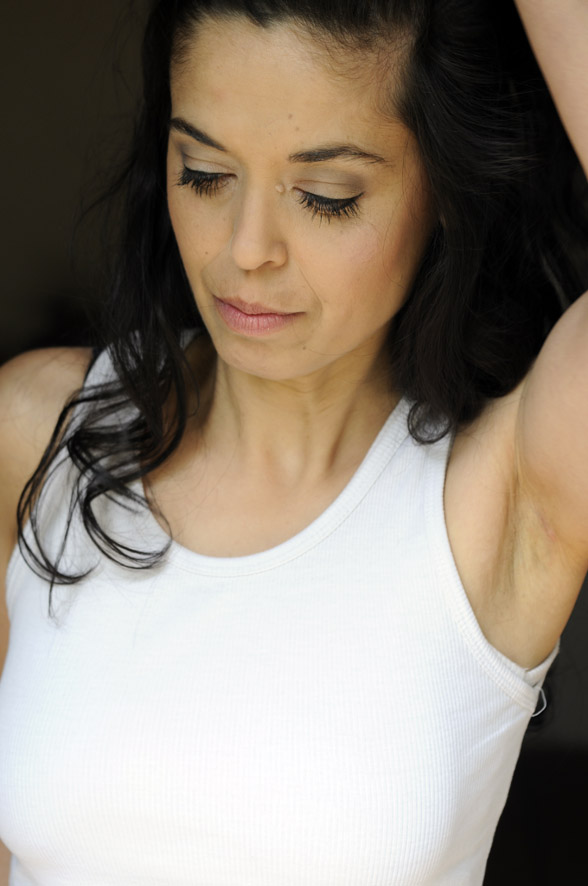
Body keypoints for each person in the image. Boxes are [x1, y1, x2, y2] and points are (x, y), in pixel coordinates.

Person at [0, 0, 586, 882]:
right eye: (204, 173)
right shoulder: (38, 433)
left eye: (325, 197)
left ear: (444, 190)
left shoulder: (501, 496)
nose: (247, 250)